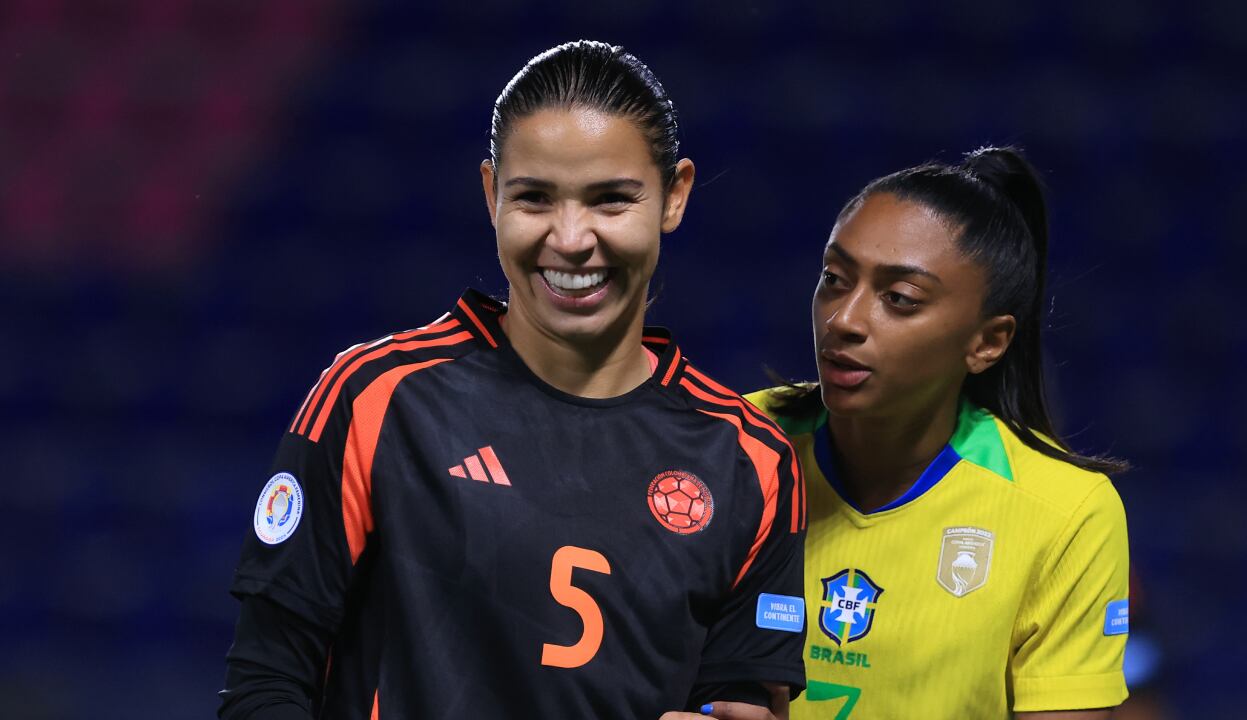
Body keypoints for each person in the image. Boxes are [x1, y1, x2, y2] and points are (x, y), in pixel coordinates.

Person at [218, 41, 807, 720]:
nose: (571, 238)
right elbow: (265, 682)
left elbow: (742, 705)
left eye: (611, 200)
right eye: (534, 198)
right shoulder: (375, 398)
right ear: (492, 193)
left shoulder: (751, 463)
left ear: (674, 196)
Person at [746, 147, 1130, 719]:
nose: (843, 320)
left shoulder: (1068, 514)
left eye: (899, 299)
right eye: (834, 278)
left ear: (988, 343)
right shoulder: (733, 445)